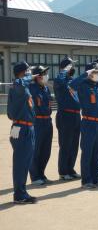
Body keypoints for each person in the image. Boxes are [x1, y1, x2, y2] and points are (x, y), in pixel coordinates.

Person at [70, 62, 98, 189]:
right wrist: (85, 74)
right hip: (89, 122)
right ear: (89, 73)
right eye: (95, 72)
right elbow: (72, 85)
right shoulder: (83, 85)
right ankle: (86, 180)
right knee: (87, 152)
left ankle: (95, 178)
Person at [7, 61, 37, 204]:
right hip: (21, 128)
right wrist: (29, 77)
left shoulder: (24, 87)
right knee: (21, 163)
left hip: (27, 127)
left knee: (25, 162)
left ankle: (22, 192)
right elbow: (19, 83)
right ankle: (19, 195)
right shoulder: (18, 85)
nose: (30, 73)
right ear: (21, 72)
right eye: (27, 71)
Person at [54, 56, 81, 180]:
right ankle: (63, 171)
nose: (73, 68)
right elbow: (59, 81)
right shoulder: (60, 81)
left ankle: (70, 169)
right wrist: (64, 71)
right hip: (65, 115)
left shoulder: (72, 81)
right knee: (65, 144)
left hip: (76, 115)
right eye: (70, 66)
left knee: (74, 145)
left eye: (72, 66)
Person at [29, 66, 53, 186]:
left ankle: (41, 174)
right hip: (37, 122)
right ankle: (35, 176)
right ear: (37, 76)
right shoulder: (32, 88)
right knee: (36, 150)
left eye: (46, 73)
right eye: (43, 73)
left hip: (47, 121)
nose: (46, 75)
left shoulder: (46, 89)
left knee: (46, 151)